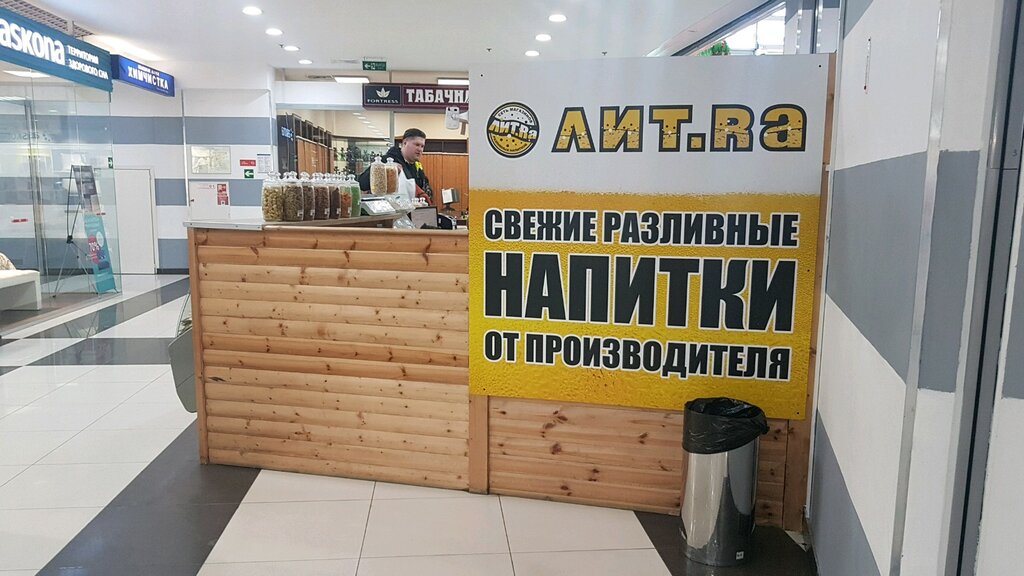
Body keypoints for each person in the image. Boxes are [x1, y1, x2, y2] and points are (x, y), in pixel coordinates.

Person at [358, 128, 433, 201]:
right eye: (417, 145)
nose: (420, 149)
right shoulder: (386, 160)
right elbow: (362, 183)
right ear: (405, 143)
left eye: (422, 146)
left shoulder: (417, 167)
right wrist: (386, 170)